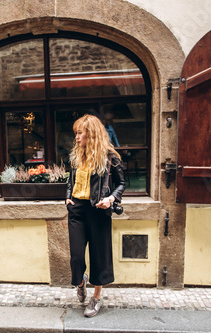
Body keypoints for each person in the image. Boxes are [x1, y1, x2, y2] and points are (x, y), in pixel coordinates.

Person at [65, 114, 126, 317]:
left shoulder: (110, 157)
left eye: (79, 133)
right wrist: (67, 197)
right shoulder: (75, 156)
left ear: (91, 134)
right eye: (76, 133)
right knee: (75, 256)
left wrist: (110, 199)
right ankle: (80, 281)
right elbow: (70, 181)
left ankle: (96, 298)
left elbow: (122, 184)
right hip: (77, 209)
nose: (76, 137)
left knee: (99, 256)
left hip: (99, 210)